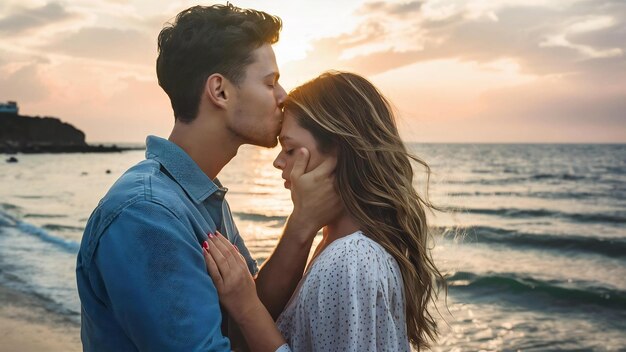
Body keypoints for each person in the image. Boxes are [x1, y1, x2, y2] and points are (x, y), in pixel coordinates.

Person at [76, 4, 339, 351]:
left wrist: (302, 225)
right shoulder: (147, 214)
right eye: (270, 82)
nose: (283, 96)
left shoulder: (197, 196)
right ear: (220, 91)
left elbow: (250, 313)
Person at [202, 71, 447, 351]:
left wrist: (246, 308)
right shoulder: (336, 246)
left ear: (339, 152)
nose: (278, 162)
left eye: (290, 149)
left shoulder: (351, 260)